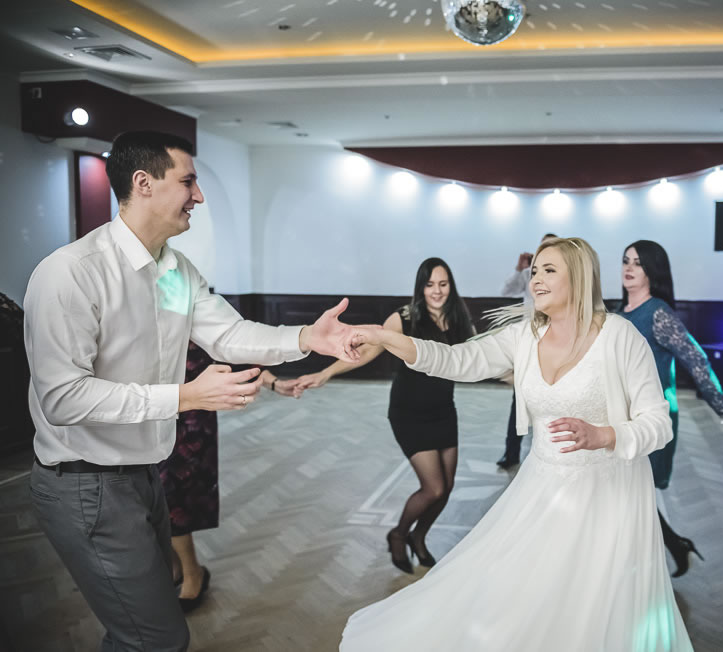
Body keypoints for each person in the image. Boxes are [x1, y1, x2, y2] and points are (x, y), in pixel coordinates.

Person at [24, 130, 363, 652]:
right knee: (156, 637)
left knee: (143, 625)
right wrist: (183, 396)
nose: (199, 196)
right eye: (188, 182)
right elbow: (63, 399)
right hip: (86, 483)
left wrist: (306, 338)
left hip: (144, 475)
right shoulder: (72, 274)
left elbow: (228, 335)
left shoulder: (171, 271)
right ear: (144, 183)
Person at [340, 237, 693, 651]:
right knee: (527, 595)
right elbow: (455, 359)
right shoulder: (524, 336)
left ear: (579, 277)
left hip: (610, 495)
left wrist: (605, 435)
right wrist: (384, 337)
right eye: (534, 271)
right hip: (544, 488)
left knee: (596, 602)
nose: (535, 279)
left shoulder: (620, 336)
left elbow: (658, 423)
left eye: (549, 270)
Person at [296, 258, 475, 574]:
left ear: (451, 286)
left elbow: (476, 355)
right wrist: (326, 373)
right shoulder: (404, 317)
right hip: (410, 413)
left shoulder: (459, 317)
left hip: (444, 410)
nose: (437, 291)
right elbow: (369, 350)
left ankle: (419, 537)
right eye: (430, 284)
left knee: (447, 489)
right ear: (420, 287)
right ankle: (399, 534)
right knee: (433, 488)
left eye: (443, 284)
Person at [618, 240, 723, 577]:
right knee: (626, 492)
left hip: (649, 417)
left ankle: (644, 570)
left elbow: (695, 359)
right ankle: (671, 547)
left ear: (653, 270)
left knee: (634, 491)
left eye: (638, 263)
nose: (629, 268)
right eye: (626, 261)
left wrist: (722, 406)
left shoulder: (658, 313)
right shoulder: (618, 313)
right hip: (619, 417)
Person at [159, 346, 303, 615]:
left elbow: (229, 344)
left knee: (172, 493)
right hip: (146, 407)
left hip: (190, 412)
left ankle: (192, 574)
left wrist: (272, 382)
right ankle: (175, 567)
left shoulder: (186, 315)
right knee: (149, 494)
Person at [496, 233, 557, 469]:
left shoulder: (566, 276)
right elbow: (506, 290)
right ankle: (511, 453)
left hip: (556, 346)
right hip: (528, 344)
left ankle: (551, 454)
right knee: (519, 402)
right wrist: (519, 268)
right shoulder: (528, 274)